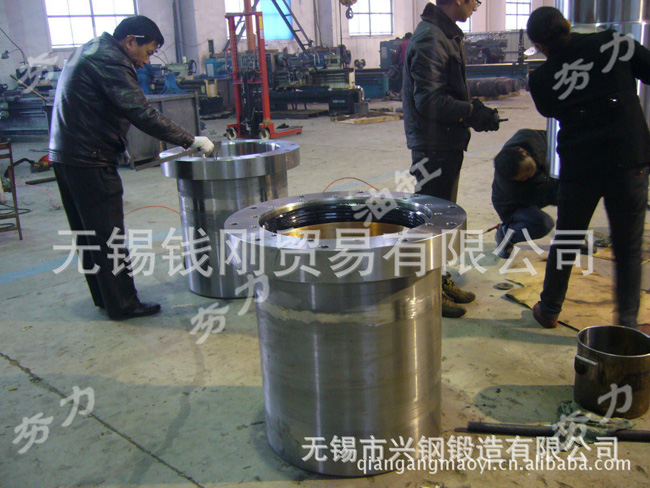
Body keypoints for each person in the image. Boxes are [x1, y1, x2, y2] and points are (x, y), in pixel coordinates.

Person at [50, 16, 214, 321]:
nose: (145, 61)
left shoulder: (91, 49)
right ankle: (123, 304)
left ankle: (106, 298)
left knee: (89, 234)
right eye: (147, 52)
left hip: (67, 155)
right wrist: (189, 140)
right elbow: (140, 111)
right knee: (108, 235)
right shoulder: (112, 60)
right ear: (130, 41)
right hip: (90, 158)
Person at [526, 7, 650, 335]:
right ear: (568, 25)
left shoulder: (541, 78)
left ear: (539, 45)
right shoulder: (613, 42)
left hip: (580, 165)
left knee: (567, 238)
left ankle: (549, 309)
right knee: (627, 245)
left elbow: (550, 109)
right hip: (628, 160)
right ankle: (627, 326)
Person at [402, 0, 500, 318]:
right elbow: (429, 101)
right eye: (475, 0)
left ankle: (438, 279)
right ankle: (426, 292)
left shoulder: (445, 34)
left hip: (445, 142)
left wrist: (472, 111)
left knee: (441, 220)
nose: (477, 6)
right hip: (433, 145)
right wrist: (471, 112)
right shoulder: (431, 39)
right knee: (431, 223)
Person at [492, 129, 558, 259]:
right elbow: (549, 195)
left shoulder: (530, 137)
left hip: (541, 185)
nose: (530, 175)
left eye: (530, 169)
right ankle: (506, 234)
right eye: (525, 177)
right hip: (514, 206)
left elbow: (557, 139)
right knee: (543, 223)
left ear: (523, 151)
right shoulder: (511, 187)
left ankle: (574, 237)